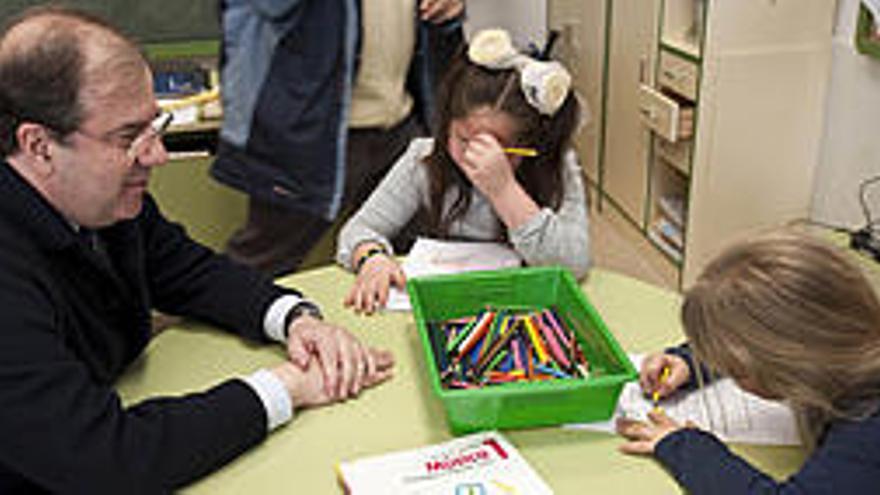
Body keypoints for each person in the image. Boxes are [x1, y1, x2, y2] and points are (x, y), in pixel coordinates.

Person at [0, 7, 393, 493]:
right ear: (38, 146)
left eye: (155, 126)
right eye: (129, 137)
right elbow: (104, 458)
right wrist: (284, 388)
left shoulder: (100, 196)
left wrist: (297, 319)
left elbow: (189, 270)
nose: (157, 155)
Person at [336, 29, 591, 314]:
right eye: (464, 140)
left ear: (529, 146)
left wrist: (505, 191)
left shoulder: (557, 165)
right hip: (439, 309)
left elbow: (574, 264)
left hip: (517, 313)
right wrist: (373, 258)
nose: (475, 156)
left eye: (497, 147)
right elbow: (359, 229)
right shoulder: (424, 158)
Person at [211, 0, 466, 277]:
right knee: (265, 260)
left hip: (400, 124)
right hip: (312, 134)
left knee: (414, 259)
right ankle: (210, 316)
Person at [616, 231, 880, 493]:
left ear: (792, 361)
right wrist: (689, 362)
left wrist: (686, 448)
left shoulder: (867, 431)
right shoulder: (847, 335)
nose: (731, 375)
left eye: (737, 371)